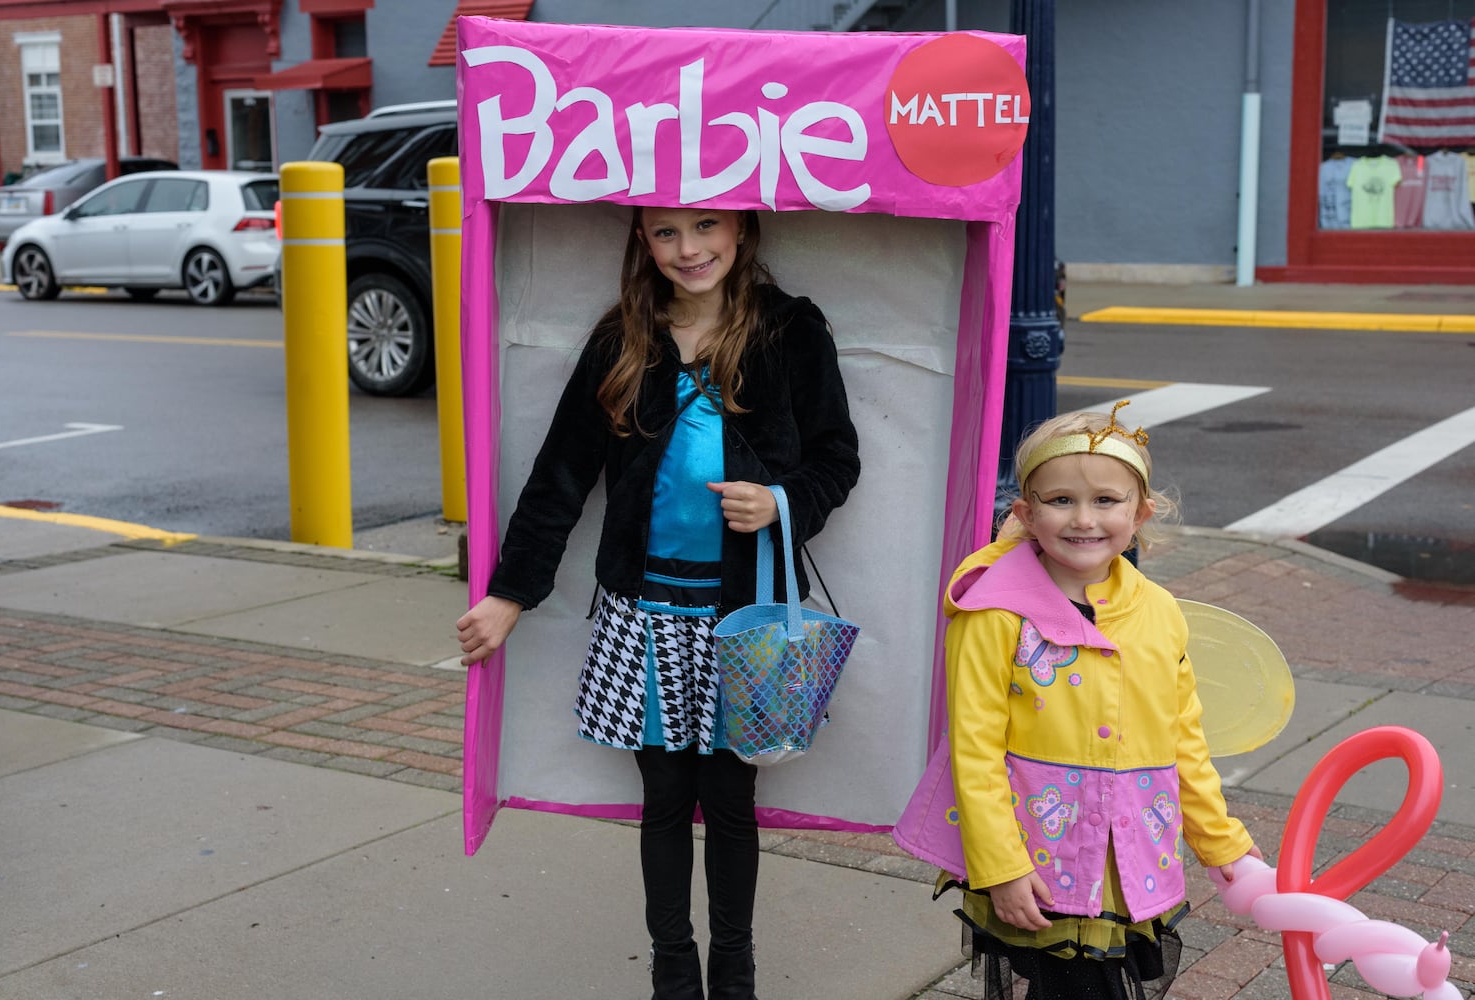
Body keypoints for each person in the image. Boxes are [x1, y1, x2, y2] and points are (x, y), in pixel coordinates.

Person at [456, 205, 860, 1000]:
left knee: (732, 801)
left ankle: (735, 974)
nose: (689, 248)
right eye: (666, 232)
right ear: (641, 239)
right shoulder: (621, 341)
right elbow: (560, 477)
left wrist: (780, 501)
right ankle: (672, 972)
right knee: (666, 799)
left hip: (745, 621)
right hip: (647, 616)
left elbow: (837, 459)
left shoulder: (790, 332)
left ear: (742, 230)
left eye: (706, 226)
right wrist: (510, 594)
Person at [934, 402, 1257, 1000]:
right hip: (1040, 856)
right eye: (1060, 501)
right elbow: (973, 747)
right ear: (1027, 514)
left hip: (1127, 861)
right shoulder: (994, 613)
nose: (1083, 519)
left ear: (1141, 513)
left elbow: (1182, 734)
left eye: (1106, 501)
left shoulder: (1157, 612)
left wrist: (1220, 839)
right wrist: (1001, 865)